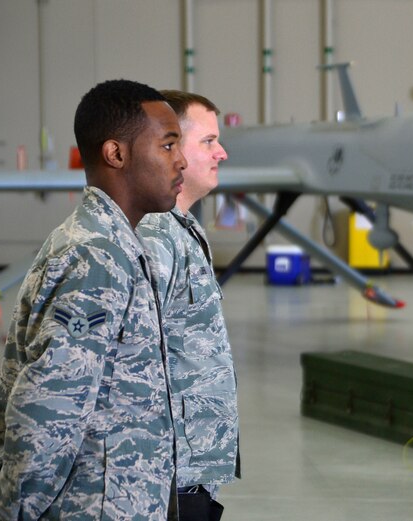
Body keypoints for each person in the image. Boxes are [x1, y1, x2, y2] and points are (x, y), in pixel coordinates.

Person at [0, 79, 186, 519]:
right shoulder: (94, 257)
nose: (183, 161)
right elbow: (45, 411)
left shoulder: (116, 245)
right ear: (116, 154)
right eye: (168, 146)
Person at [138, 90, 240, 521]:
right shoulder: (156, 235)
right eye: (209, 141)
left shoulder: (183, 229)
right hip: (165, 475)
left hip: (190, 469)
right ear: (171, 147)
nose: (222, 152)